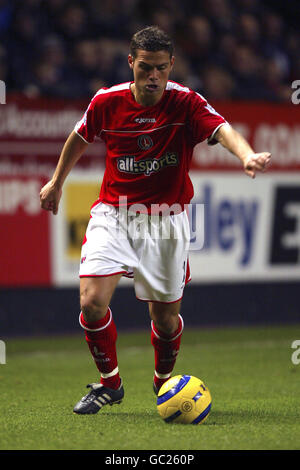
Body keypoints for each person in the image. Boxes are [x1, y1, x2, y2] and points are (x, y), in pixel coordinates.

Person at [40, 26, 271, 415]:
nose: (153, 77)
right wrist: (56, 181)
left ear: (171, 66)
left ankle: (164, 380)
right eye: (145, 67)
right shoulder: (107, 102)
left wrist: (246, 155)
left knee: (165, 320)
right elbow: (79, 137)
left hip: (166, 220)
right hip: (114, 213)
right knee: (91, 302)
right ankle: (110, 384)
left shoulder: (185, 102)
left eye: (161, 69)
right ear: (131, 62)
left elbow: (221, 129)